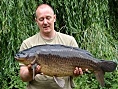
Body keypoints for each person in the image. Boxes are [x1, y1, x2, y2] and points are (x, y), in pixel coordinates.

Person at [19, 4, 84, 89]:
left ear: (54, 18)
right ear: (36, 21)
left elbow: (76, 72)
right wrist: (31, 72)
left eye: (48, 18)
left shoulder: (69, 41)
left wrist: (77, 73)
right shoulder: (27, 44)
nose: (45, 22)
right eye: (41, 19)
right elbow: (23, 77)